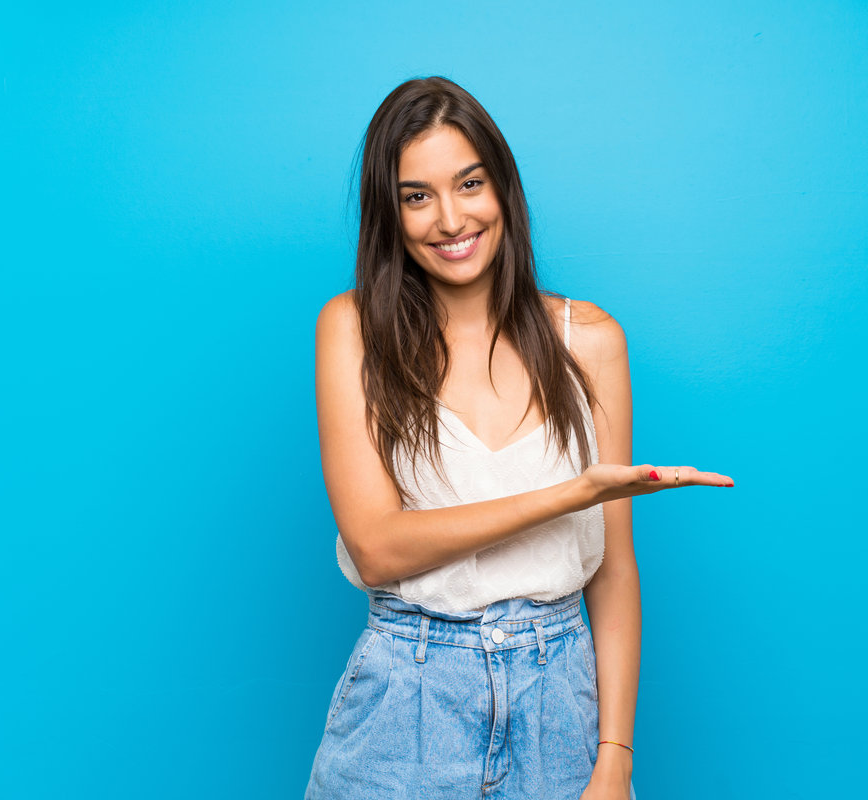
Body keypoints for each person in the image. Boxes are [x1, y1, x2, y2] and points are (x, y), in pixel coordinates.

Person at [304, 76, 734, 800]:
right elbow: (377, 549)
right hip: (405, 704)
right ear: (391, 212)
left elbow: (613, 571)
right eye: (417, 195)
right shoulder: (352, 330)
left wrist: (614, 759)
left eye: (469, 183)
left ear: (503, 187)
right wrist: (570, 495)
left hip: (558, 704)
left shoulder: (589, 341)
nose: (449, 218)